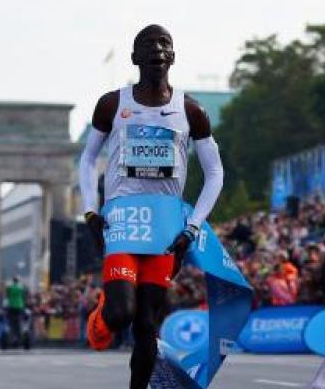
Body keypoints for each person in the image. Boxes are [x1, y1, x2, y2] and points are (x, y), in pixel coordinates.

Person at [79, 25, 225, 389]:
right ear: (135, 58)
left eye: (164, 44)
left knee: (147, 324)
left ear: (172, 56)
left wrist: (192, 226)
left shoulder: (191, 111)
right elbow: (88, 159)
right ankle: (103, 314)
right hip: (123, 223)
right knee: (121, 314)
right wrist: (90, 211)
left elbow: (215, 173)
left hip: (165, 229)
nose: (157, 49)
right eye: (148, 44)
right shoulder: (112, 104)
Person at [4, 276, 27, 347]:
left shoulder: (10, 287)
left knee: (11, 322)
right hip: (20, 306)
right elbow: (24, 296)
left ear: (13, 281)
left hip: (11, 305)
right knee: (19, 321)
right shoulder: (21, 287)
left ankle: (11, 337)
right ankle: (20, 337)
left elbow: (7, 295)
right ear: (18, 281)